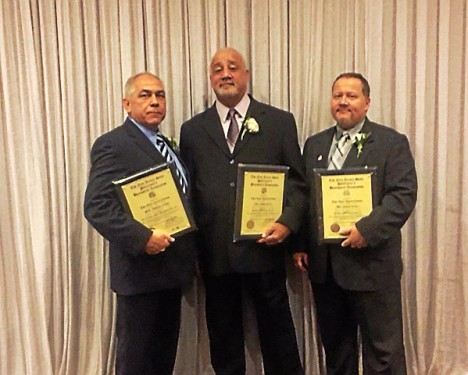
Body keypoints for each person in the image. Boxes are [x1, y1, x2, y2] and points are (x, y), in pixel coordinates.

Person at [180, 48, 307, 375]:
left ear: (246, 75)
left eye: (233, 67)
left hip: (265, 248)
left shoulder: (279, 122)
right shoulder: (192, 130)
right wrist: (191, 251)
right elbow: (189, 192)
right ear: (210, 79)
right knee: (223, 339)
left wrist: (288, 224)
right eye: (218, 69)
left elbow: (297, 183)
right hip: (215, 253)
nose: (225, 74)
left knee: (278, 335)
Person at [294, 72, 417, 374]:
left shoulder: (391, 143)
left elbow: (402, 196)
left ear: (367, 102)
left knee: (383, 352)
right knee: (337, 349)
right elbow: (305, 199)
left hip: (372, 265)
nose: (343, 101)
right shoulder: (314, 144)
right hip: (326, 270)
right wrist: (300, 245)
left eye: (352, 95)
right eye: (338, 95)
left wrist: (367, 229)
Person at [84, 72, 197, 375]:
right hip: (139, 274)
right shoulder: (113, 144)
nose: (155, 102)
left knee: (162, 360)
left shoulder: (169, 145)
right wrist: (142, 238)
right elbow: (96, 206)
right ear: (126, 103)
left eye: (160, 95)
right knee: (135, 362)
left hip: (172, 272)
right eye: (145, 95)